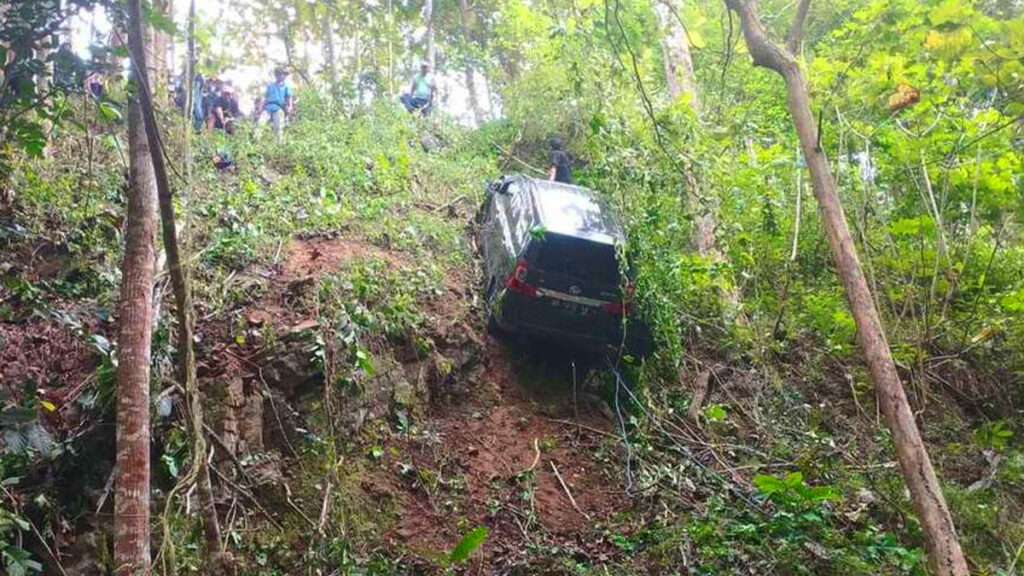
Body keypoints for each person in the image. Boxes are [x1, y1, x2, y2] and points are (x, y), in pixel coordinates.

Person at [260, 67, 293, 142]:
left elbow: (289, 97)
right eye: (281, 74)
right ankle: (256, 140)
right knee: (260, 123)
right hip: (268, 107)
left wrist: (290, 107)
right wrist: (261, 108)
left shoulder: (286, 86)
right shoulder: (270, 85)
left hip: (278, 108)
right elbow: (264, 97)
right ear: (277, 75)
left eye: (284, 75)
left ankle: (279, 144)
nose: (283, 76)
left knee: (278, 127)